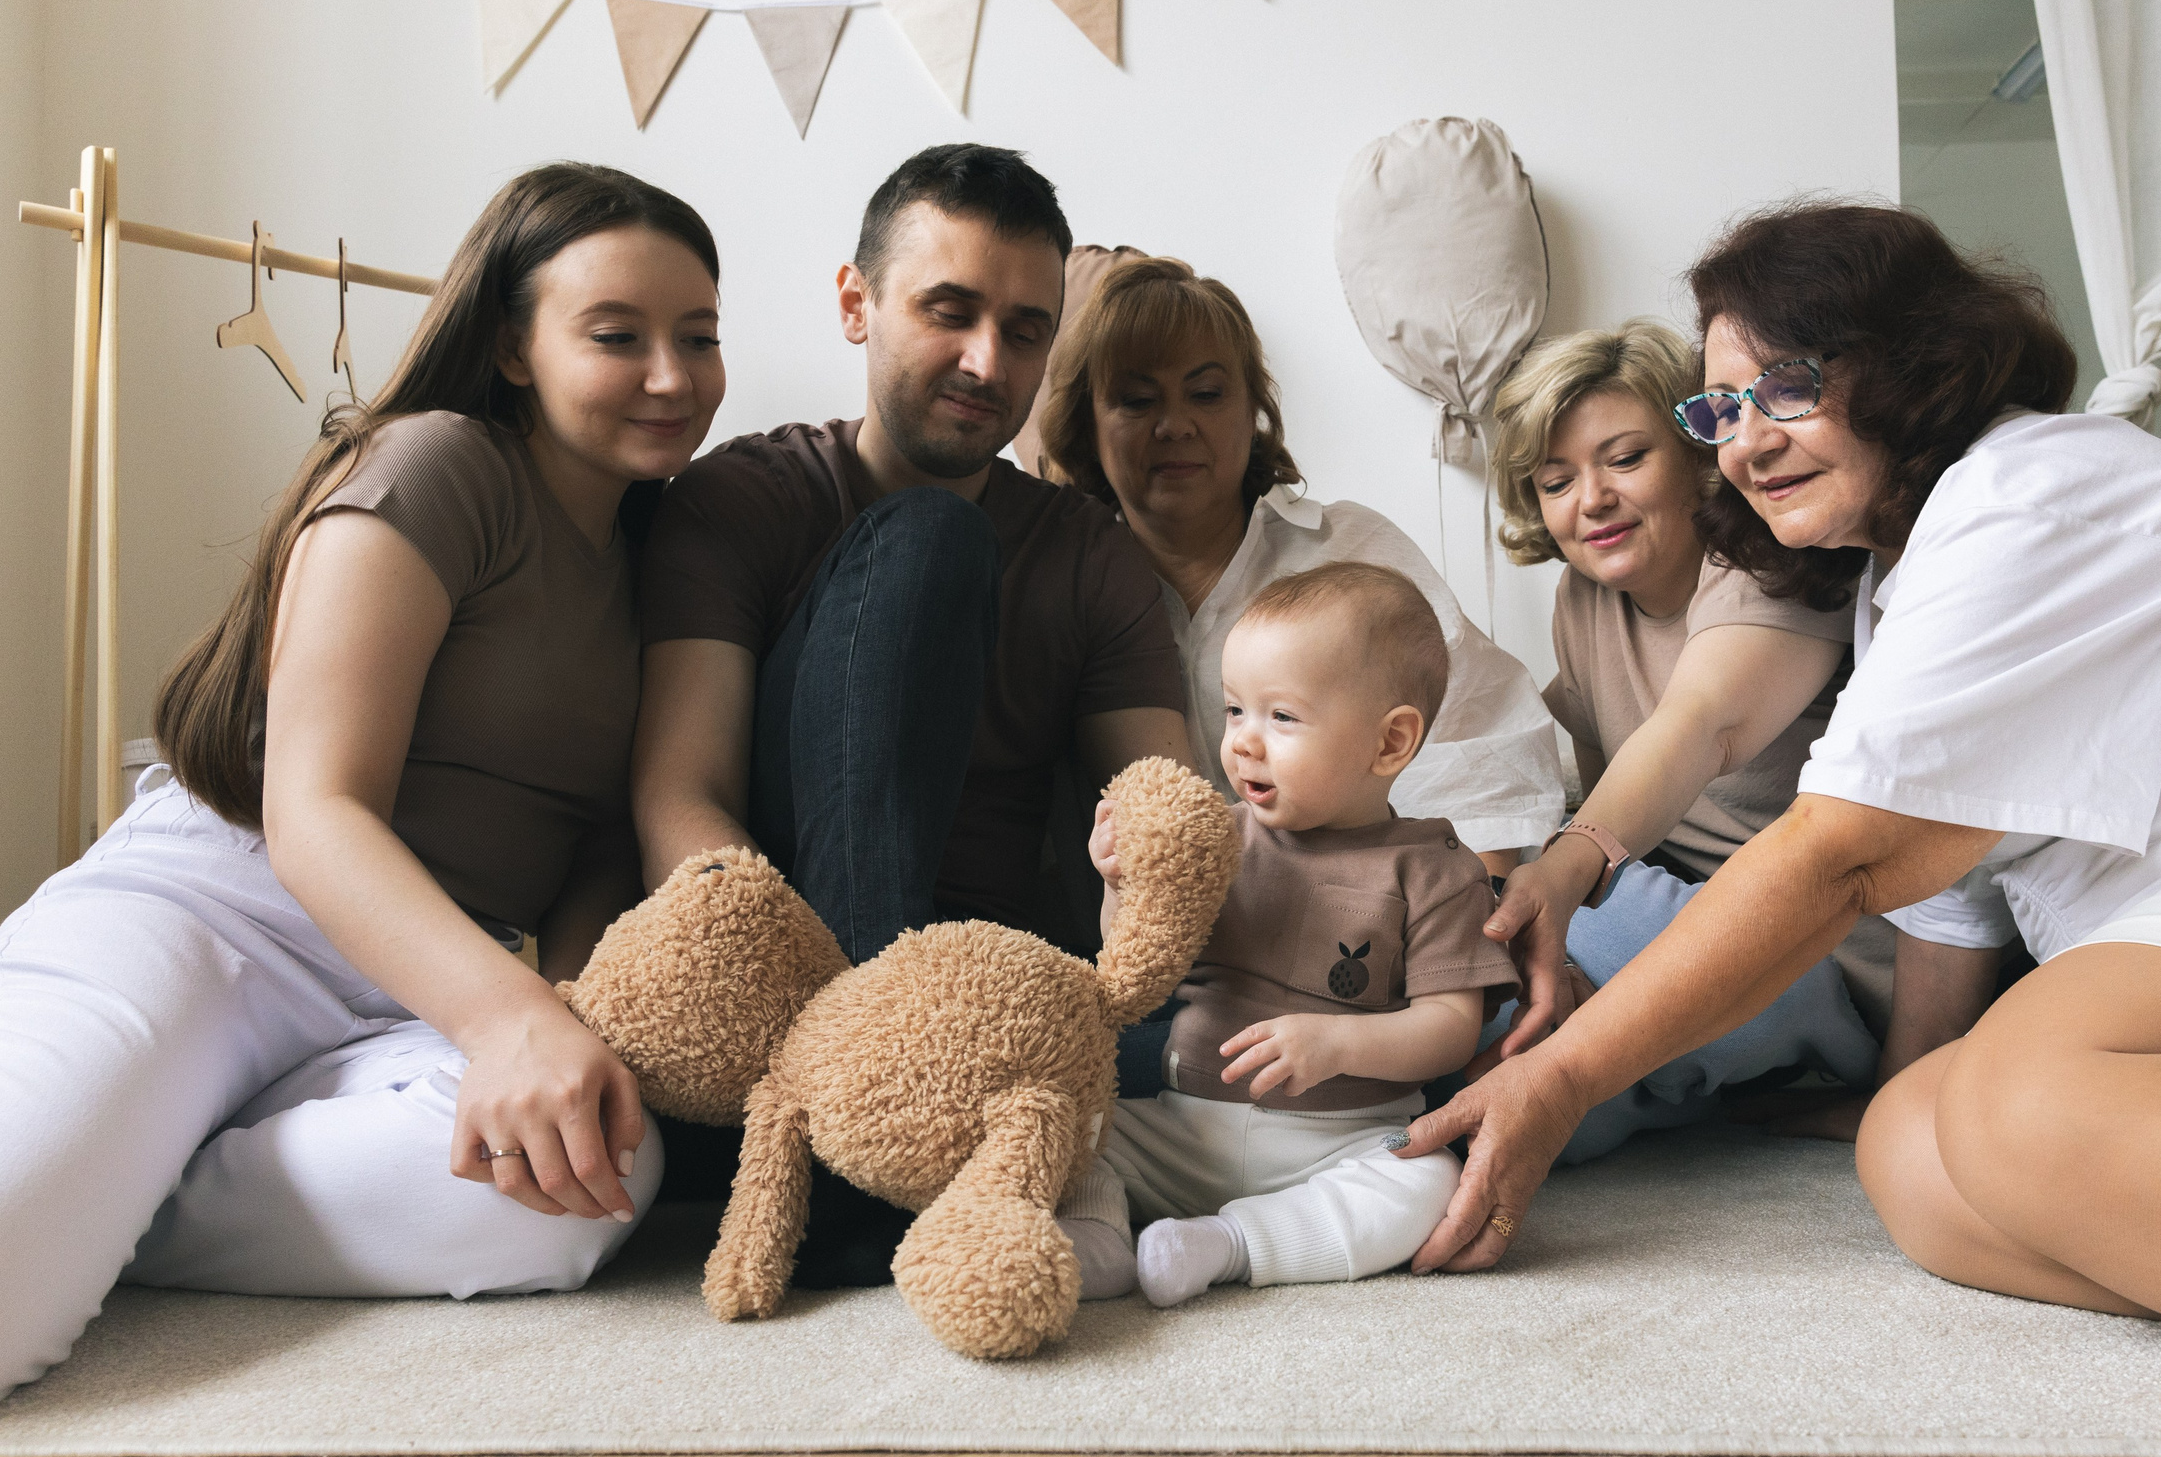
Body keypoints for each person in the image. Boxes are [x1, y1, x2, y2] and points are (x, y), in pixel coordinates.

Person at [1397, 200, 2161, 1407]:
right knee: (1920, 1154)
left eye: (1781, 387)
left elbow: (1840, 857)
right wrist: (1889, 1084)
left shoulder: (2031, 488)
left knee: (2029, 1095)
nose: (1742, 444)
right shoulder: (1889, 592)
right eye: (1720, 410)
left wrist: (1562, 1074)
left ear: (1909, 362)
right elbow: (1948, 904)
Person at [0, 163, 725, 1395]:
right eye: (618, 335)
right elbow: (313, 809)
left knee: (582, 1184)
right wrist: (507, 1019)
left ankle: (128, 1187)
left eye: (699, 337)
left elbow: (606, 838)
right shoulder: (436, 465)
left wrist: (553, 1004)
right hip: (222, 905)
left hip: (422, 986)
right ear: (510, 347)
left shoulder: (668, 554)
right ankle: (87, 1177)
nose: (672, 375)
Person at [631, 145, 1191, 1284]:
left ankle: (919, 1156)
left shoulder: (1092, 555)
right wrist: (839, 1023)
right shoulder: (744, 500)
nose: (988, 361)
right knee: (933, 539)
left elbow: (1158, 810)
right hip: (792, 996)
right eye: (950, 311)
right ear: (857, 303)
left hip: (1002, 1005)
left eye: (1027, 330)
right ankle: (866, 1149)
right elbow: (676, 794)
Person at [1473, 319, 1917, 1161]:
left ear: (1695, 459)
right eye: (1555, 480)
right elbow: (1616, 830)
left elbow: (1699, 724)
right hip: (1691, 925)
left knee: (1572, 944)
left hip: (1823, 950)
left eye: (1625, 458)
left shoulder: (1772, 559)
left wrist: (1562, 877)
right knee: (1520, 1034)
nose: (1591, 499)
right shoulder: (1583, 598)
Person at [1060, 562, 1517, 1308]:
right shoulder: (1215, 838)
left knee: (1429, 1184)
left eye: (1282, 717)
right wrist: (1119, 885)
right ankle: (1099, 1233)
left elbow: (1450, 1030)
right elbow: (1135, 966)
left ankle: (1233, 1244)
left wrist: (1337, 1046)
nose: (1242, 742)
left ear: (1390, 742)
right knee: (1067, 1123)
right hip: (1186, 1126)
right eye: (1235, 710)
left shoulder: (1436, 870)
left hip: (1336, 1141)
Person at [1035, 256, 1565, 881]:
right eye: (1136, 400)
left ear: (1253, 409)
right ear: (1086, 426)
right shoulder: (1064, 587)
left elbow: (1482, 745)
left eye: (1206, 394)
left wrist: (1463, 922)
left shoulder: (1348, 549)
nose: (1176, 426)